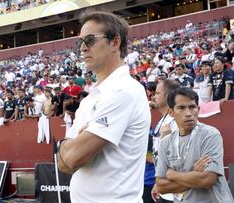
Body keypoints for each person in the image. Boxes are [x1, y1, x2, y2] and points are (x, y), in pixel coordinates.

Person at [57, 11, 151, 202]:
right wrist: (69, 147)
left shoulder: (123, 91)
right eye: (80, 42)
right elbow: (62, 163)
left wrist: (70, 146)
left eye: (90, 40)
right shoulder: (92, 97)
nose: (82, 48)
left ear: (115, 42)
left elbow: (73, 158)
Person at [155, 87, 234, 203]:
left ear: (198, 109)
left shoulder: (210, 135)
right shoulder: (165, 142)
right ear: (170, 112)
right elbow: (161, 186)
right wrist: (194, 174)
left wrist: (172, 175)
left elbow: (207, 180)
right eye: (181, 108)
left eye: (192, 107)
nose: (188, 113)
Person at [150, 79, 181, 203]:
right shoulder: (164, 118)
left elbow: (179, 158)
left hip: (176, 193)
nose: (153, 96)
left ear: (168, 96)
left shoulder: (176, 120)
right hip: (165, 190)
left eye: (157, 93)